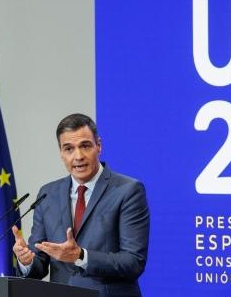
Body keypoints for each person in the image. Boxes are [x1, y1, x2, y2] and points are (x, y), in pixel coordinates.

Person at [12, 113, 150, 297]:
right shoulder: (48, 194)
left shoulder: (128, 190)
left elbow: (133, 262)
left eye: (85, 146)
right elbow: (40, 264)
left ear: (98, 146)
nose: (78, 156)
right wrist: (26, 261)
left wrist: (81, 256)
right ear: (61, 153)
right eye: (69, 149)